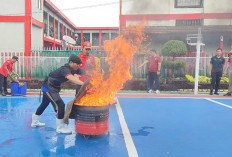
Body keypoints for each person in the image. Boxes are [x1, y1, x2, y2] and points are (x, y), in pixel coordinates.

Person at [31, 55, 84, 134]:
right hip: (48, 87)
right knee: (60, 105)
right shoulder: (65, 69)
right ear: (71, 62)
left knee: (44, 104)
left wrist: (95, 74)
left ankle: (34, 121)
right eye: (77, 64)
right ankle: (60, 128)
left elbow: (84, 72)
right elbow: (71, 78)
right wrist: (84, 84)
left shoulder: (74, 69)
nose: (78, 66)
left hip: (53, 88)